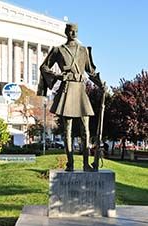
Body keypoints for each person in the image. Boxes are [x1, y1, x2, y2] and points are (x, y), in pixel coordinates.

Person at [37, 23, 104, 171]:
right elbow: (44, 67)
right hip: (67, 91)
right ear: (66, 32)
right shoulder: (58, 50)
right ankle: (70, 163)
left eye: (76, 31)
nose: (73, 34)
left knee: (85, 129)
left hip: (80, 91)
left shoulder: (84, 50)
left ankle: (86, 164)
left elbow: (91, 71)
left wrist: (101, 85)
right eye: (71, 31)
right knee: (67, 130)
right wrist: (57, 76)